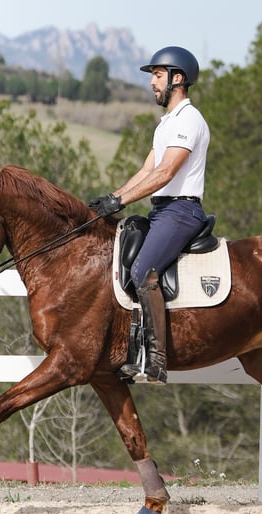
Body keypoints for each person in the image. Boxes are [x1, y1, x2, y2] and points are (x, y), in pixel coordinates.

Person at [88, 46, 210, 385]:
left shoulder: (189, 120)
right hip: (162, 210)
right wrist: (113, 198)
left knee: (144, 270)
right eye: (154, 77)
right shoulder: (167, 123)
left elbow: (167, 172)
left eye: (158, 76)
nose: (152, 83)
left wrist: (123, 200)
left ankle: (156, 361)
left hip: (182, 210)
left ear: (178, 78)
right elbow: (147, 169)